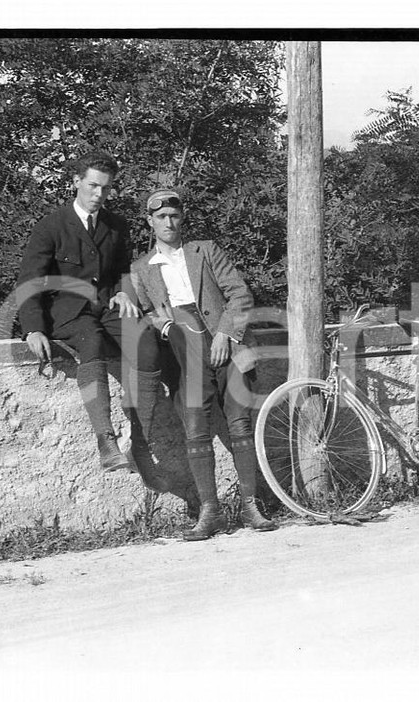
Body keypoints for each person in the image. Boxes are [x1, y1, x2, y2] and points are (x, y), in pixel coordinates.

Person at [130, 189, 276, 541]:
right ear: (150, 221)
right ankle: (210, 512)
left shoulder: (205, 251)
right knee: (195, 429)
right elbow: (148, 310)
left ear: (182, 219)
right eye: (161, 217)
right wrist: (164, 326)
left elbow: (239, 294)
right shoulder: (141, 269)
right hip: (184, 346)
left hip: (227, 341)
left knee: (239, 424)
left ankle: (250, 506)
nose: (168, 222)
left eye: (174, 216)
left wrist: (226, 334)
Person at [15, 151, 161, 475]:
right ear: (76, 182)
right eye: (93, 186)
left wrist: (125, 290)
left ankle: (140, 441)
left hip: (107, 306)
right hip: (67, 311)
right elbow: (29, 281)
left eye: (106, 189)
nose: (99, 195)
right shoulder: (51, 226)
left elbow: (123, 269)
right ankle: (106, 441)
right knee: (91, 342)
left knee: (147, 343)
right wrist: (32, 329)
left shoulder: (116, 226)